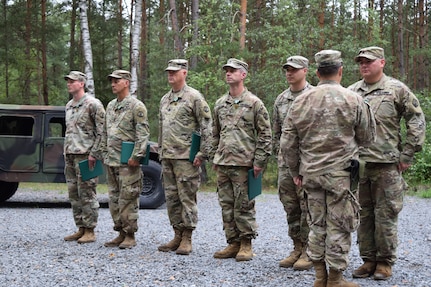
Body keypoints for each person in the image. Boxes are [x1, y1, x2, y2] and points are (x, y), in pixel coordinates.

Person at [281, 50, 376, 287]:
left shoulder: (300, 100)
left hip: (310, 174)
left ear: (316, 72)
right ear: (341, 70)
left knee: (316, 224)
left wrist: (295, 171)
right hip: (340, 175)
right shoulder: (353, 99)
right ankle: (334, 279)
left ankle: (319, 277)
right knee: (340, 225)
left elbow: (287, 142)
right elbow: (367, 138)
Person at [348, 46, 426, 280]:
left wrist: (408, 154)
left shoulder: (396, 89)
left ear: (382, 63)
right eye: (361, 62)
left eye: (369, 61)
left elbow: (416, 119)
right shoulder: (351, 91)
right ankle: (368, 259)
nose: (364, 65)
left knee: (386, 214)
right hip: (359, 165)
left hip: (387, 165)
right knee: (363, 214)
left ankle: (384, 262)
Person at [211, 58, 272, 262]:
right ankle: (233, 242)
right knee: (226, 204)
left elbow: (265, 134)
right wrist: (214, 156)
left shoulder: (254, 103)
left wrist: (259, 161)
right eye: (226, 70)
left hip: (244, 163)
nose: (228, 73)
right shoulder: (220, 104)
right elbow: (214, 133)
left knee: (244, 204)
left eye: (233, 70)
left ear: (243, 74)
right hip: (224, 162)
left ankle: (246, 243)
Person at [157, 59, 212, 255]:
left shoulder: (194, 97)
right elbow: (162, 128)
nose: (170, 75)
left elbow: (206, 127)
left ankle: (187, 237)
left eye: (174, 72)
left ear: (184, 73)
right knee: (171, 199)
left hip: (186, 158)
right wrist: (160, 151)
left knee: (186, 197)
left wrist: (203, 153)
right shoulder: (165, 99)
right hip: (168, 157)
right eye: (168, 72)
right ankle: (177, 234)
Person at [272, 56, 313, 270]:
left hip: (308, 163)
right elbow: (277, 133)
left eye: (294, 69)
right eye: (287, 69)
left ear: (305, 71)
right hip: (285, 164)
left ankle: (309, 250)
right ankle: (297, 246)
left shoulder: (314, 96)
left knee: (308, 206)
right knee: (291, 206)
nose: (289, 73)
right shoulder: (281, 99)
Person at [102, 70, 150, 249]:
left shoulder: (136, 106)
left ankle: (130, 234)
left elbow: (143, 133)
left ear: (127, 83)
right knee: (114, 198)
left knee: (128, 197)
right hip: (111, 160)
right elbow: (105, 133)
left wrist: (137, 156)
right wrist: (102, 152)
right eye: (111, 81)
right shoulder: (111, 106)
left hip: (127, 161)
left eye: (117, 81)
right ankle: (120, 232)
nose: (113, 84)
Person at [63, 71, 106, 244]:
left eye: (72, 81)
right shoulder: (69, 105)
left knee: (87, 192)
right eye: (68, 81)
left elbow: (102, 132)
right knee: (74, 193)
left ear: (81, 83)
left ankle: (90, 229)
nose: (69, 84)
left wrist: (95, 153)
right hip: (71, 154)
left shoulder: (92, 104)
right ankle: (80, 227)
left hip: (87, 156)